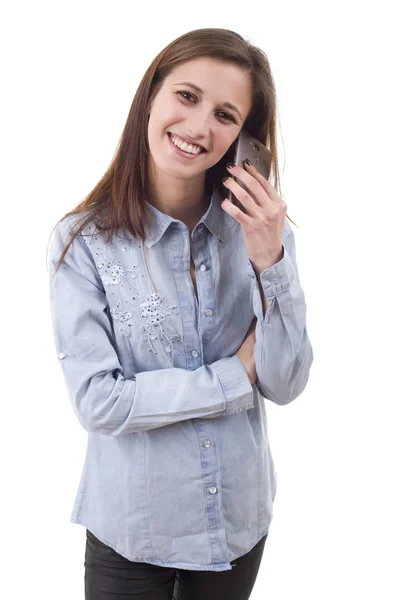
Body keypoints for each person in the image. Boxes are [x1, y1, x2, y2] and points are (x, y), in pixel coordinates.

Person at [47, 27, 314, 600]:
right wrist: (233, 375)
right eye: (187, 97)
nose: (198, 128)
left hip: (238, 525)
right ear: (152, 96)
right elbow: (98, 401)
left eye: (225, 114)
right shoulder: (82, 243)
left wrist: (271, 259)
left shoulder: (262, 234)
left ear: (245, 138)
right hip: (131, 533)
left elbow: (286, 383)